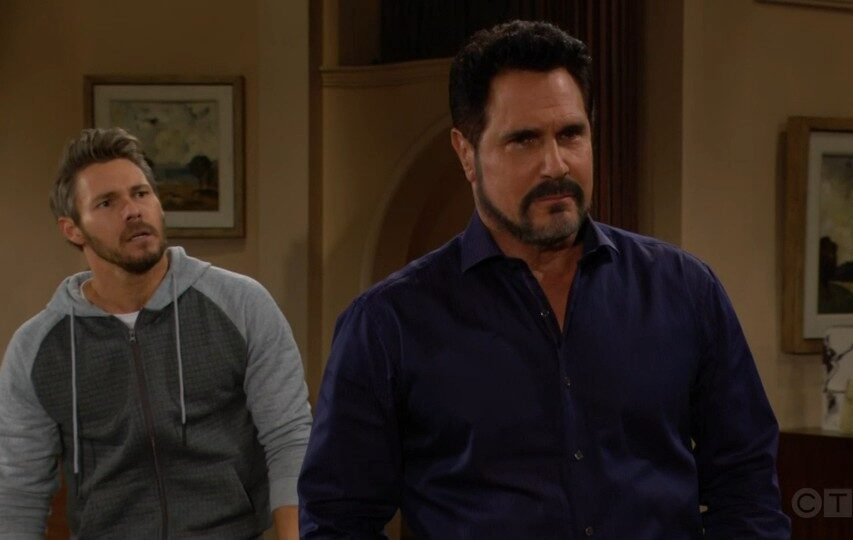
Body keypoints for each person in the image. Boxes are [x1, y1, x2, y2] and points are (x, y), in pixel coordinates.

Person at [298, 20, 790, 540]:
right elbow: (337, 522)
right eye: (524, 140)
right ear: (466, 153)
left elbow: (747, 491)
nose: (555, 165)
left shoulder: (685, 292)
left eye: (571, 134)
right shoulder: (389, 324)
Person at [0, 128, 312, 539]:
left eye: (141, 193)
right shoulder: (38, 348)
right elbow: (19, 494)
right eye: (107, 202)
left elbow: (289, 439)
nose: (133, 211)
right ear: (72, 229)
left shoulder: (241, 304)